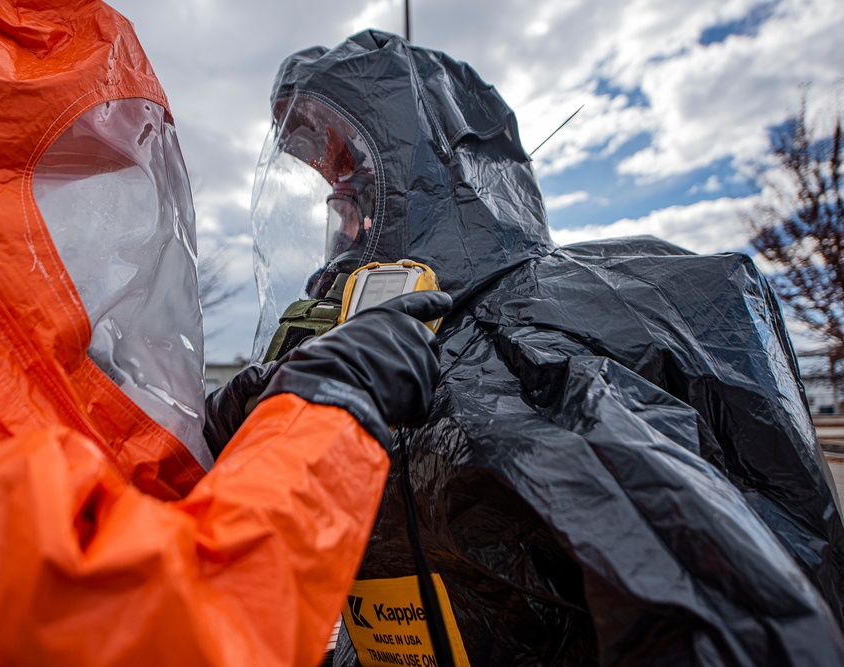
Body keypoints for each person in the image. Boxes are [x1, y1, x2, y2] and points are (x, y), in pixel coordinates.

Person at [0, 3, 449, 666]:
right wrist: (329, 410)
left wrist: (217, 427)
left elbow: (31, 451)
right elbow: (159, 620)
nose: (347, 224)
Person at [250, 30, 844, 666]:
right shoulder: (362, 357)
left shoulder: (535, 339)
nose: (343, 227)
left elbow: (724, 611)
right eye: (335, 203)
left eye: (357, 194)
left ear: (420, 177)